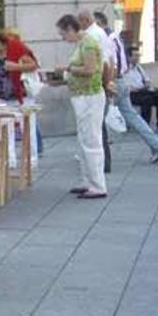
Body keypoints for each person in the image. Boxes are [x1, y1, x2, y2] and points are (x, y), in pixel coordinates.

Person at [94, 14, 158, 163]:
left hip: (113, 81)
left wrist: (109, 83)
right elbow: (123, 64)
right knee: (131, 115)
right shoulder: (116, 38)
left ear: (99, 24)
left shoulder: (106, 39)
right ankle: (156, 144)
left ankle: (92, 151)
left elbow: (112, 64)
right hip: (121, 81)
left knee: (95, 119)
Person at [53, 14, 108, 199]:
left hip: (90, 97)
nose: (63, 39)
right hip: (82, 96)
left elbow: (90, 69)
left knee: (91, 141)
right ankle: (88, 181)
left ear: (71, 29)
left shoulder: (88, 43)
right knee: (84, 141)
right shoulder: (83, 43)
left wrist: (67, 69)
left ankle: (98, 185)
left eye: (63, 34)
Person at [0, 26, 43, 158]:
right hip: (2, 98)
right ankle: (9, 161)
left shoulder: (17, 47)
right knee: (6, 132)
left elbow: (33, 65)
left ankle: (31, 160)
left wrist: (16, 67)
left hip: (22, 97)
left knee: (27, 130)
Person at [78, 10, 115, 174]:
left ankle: (101, 165)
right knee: (97, 128)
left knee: (96, 129)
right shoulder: (97, 34)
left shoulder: (92, 36)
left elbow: (106, 63)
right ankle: (101, 164)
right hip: (98, 85)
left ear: (85, 20)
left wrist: (107, 84)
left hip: (95, 87)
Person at [127, 46, 158, 132]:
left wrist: (148, 86)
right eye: (135, 56)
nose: (137, 58)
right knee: (147, 99)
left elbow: (147, 80)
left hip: (143, 90)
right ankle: (145, 126)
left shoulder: (138, 68)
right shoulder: (125, 70)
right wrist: (136, 88)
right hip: (132, 93)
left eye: (138, 55)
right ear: (129, 57)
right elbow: (126, 86)